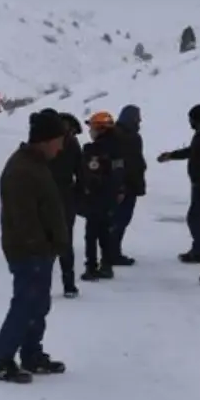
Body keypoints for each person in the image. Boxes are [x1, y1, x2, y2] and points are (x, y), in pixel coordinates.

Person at [0, 110, 69, 383]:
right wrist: (41, 247)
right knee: (25, 304)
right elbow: (23, 219)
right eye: (59, 140)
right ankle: (1, 360)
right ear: (45, 140)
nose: (61, 147)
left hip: (40, 251)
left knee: (38, 305)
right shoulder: (22, 170)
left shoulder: (35, 164)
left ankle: (32, 354)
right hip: (29, 251)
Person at [157, 104, 200, 263]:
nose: (189, 123)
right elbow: (193, 151)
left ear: (197, 120)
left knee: (196, 217)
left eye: (191, 120)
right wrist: (171, 155)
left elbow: (198, 154)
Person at [78, 110, 125, 282]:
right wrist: (120, 191)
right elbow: (120, 173)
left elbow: (90, 174)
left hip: (97, 197)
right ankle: (106, 265)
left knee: (92, 234)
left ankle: (91, 267)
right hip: (112, 196)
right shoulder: (119, 148)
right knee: (106, 232)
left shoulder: (94, 150)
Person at [50, 112, 84, 298]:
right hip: (65, 196)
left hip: (48, 195)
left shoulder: (46, 142)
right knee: (65, 242)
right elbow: (81, 173)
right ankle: (69, 284)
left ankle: (43, 285)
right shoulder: (72, 143)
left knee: (47, 242)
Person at [111, 104, 147, 265]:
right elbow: (129, 163)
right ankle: (112, 253)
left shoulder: (118, 134)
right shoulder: (129, 137)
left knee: (118, 220)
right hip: (125, 185)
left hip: (124, 184)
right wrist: (123, 186)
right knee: (119, 220)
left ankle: (112, 251)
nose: (140, 120)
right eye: (137, 117)